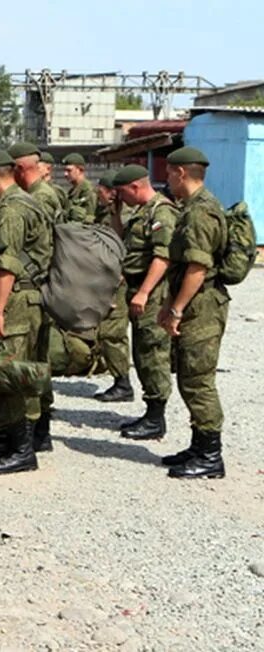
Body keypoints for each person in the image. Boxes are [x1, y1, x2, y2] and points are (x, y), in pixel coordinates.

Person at [0, 150, 52, 474]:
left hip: (16, 302)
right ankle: (9, 440)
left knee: (11, 371)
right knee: (4, 370)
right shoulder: (18, 202)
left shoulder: (13, 208)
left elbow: (8, 262)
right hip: (16, 298)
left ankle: (22, 450)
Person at [157, 147, 230, 479]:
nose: (167, 179)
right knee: (188, 376)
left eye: (169, 173)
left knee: (198, 380)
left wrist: (176, 309)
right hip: (194, 303)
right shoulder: (192, 208)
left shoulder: (201, 212)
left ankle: (211, 455)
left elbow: (198, 268)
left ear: (181, 173)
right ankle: (199, 446)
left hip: (202, 307)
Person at [105, 165, 177, 429]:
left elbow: (163, 256)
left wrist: (145, 292)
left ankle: (156, 417)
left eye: (122, 193)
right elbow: (121, 241)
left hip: (154, 292)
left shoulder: (161, 212)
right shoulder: (141, 212)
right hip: (136, 287)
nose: (121, 198)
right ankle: (150, 412)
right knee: (141, 350)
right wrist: (114, 213)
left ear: (135, 187)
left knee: (153, 351)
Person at [8, 142, 58, 450]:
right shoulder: (36, 196)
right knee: (37, 361)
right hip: (38, 287)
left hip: (33, 289)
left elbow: (36, 247)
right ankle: (39, 434)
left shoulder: (39, 198)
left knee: (29, 363)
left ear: (19, 169)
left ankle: (31, 437)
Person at [92, 169, 135, 402]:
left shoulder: (126, 215)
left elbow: (124, 248)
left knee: (113, 332)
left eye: (100, 190)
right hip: (107, 277)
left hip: (119, 280)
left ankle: (123, 383)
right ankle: (120, 379)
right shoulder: (110, 212)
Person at [62, 153, 97, 223]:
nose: (65, 174)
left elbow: (90, 218)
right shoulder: (72, 191)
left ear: (80, 170)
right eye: (65, 170)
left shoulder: (88, 190)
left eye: (69, 170)